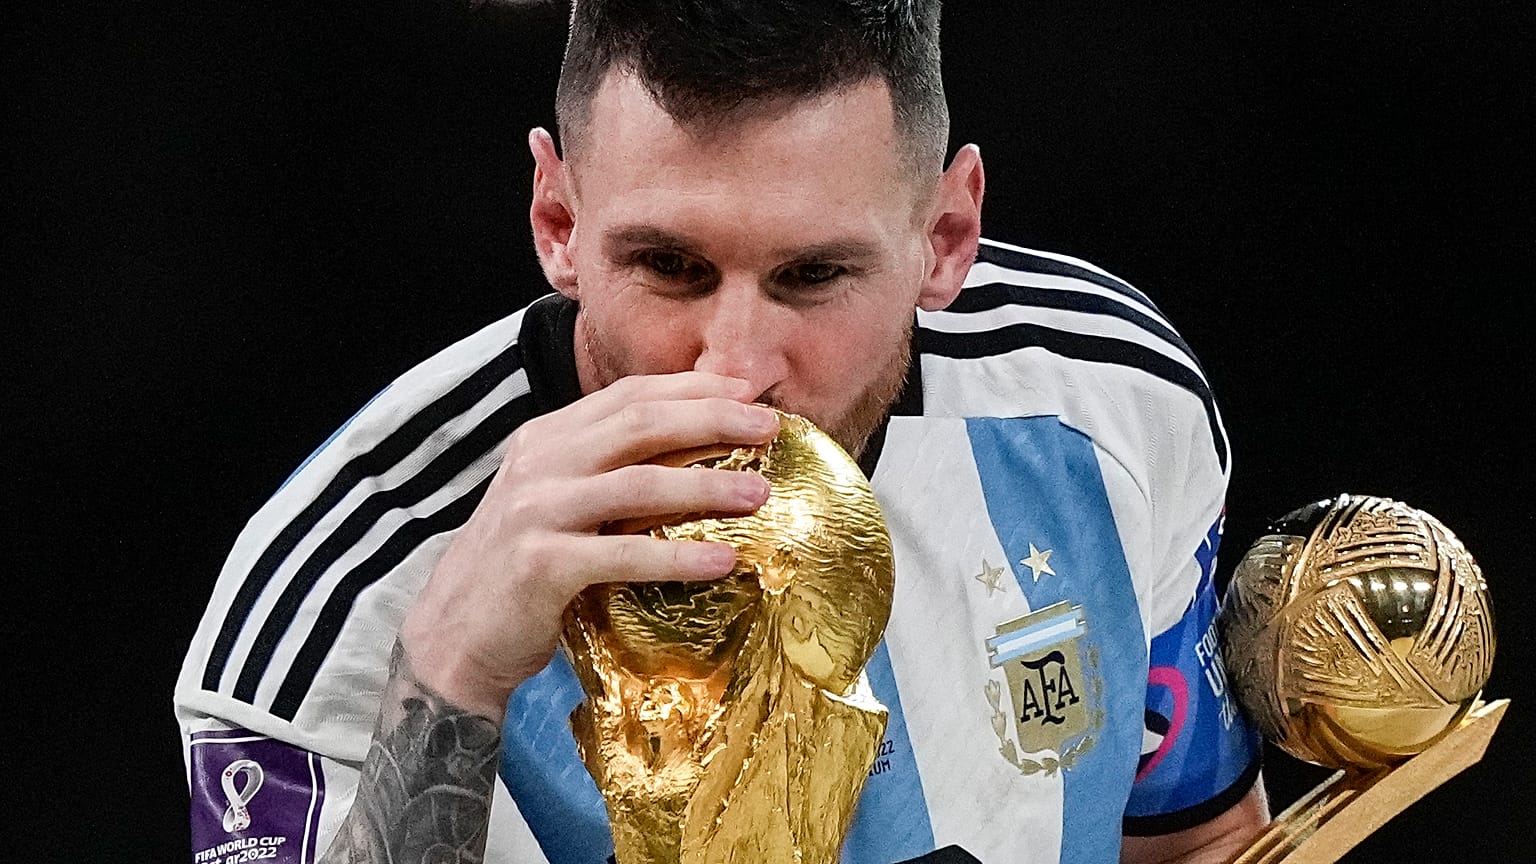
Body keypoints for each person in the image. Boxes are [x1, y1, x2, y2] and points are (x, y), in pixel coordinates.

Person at [177, 1, 1268, 861]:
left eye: (813, 275)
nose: (734, 369)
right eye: (670, 266)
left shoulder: (1108, 402)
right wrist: (451, 675)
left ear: (944, 237)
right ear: (559, 224)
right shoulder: (337, 599)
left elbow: (1195, 844)